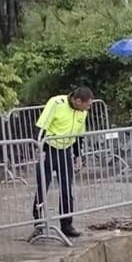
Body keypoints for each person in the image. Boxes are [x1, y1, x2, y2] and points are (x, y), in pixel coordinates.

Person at [31, 86, 94, 240]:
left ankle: (67, 225)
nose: (89, 107)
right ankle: (39, 224)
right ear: (78, 101)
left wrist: (78, 156)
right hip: (49, 149)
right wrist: (39, 148)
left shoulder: (82, 112)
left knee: (67, 190)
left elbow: (79, 135)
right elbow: (40, 127)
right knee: (43, 188)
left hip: (65, 151)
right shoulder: (57, 103)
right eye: (87, 104)